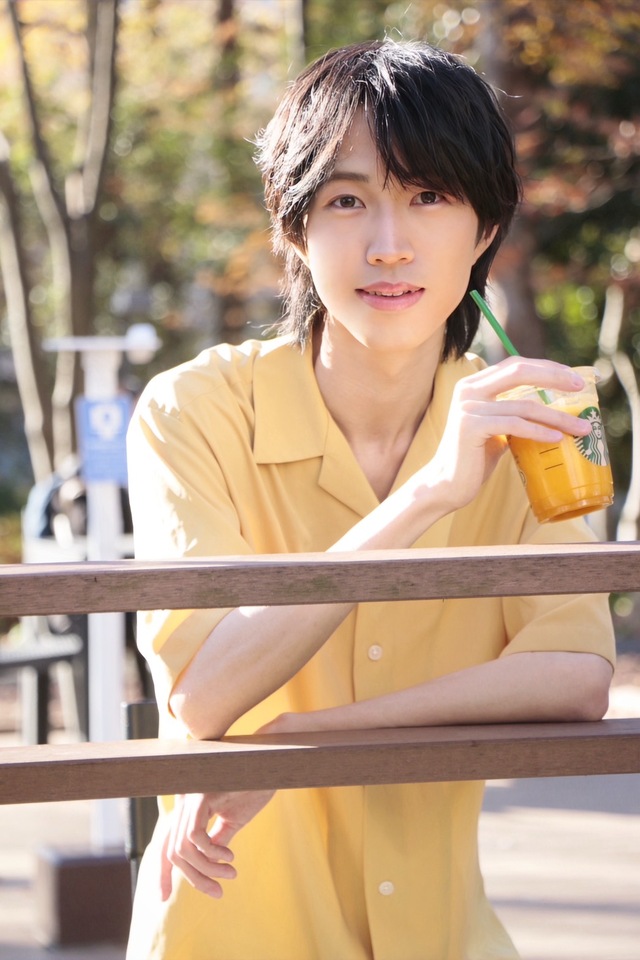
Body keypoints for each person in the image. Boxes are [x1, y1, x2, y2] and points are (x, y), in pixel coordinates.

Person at [126, 38, 615, 960]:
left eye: (430, 196)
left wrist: (302, 736)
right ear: (294, 228)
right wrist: (425, 497)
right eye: (347, 200)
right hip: (230, 934)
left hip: (445, 936)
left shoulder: (523, 424)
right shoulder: (195, 409)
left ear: (484, 231)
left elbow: (576, 672)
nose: (389, 244)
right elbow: (204, 696)